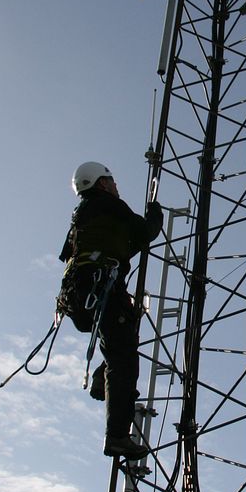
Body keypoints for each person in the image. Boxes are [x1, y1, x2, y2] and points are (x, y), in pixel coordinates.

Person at [57, 161, 163, 460]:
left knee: (121, 338)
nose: (116, 185)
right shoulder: (109, 204)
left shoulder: (81, 217)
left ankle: (104, 376)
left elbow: (78, 252)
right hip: (101, 291)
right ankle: (117, 436)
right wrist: (156, 215)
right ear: (101, 184)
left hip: (80, 297)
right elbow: (144, 233)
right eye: (111, 180)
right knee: (125, 360)